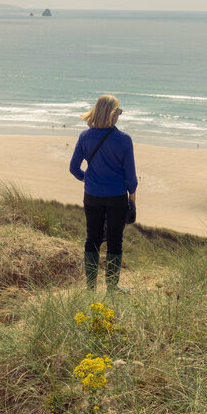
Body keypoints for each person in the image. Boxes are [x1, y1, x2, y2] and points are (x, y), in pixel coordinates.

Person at [69, 94, 137, 292]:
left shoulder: (85, 136)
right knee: (115, 241)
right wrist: (132, 199)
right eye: (119, 110)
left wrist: (87, 179)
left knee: (93, 238)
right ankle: (112, 288)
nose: (120, 114)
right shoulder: (123, 140)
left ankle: (90, 287)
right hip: (116, 197)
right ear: (112, 114)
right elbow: (130, 177)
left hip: (92, 196)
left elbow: (74, 168)